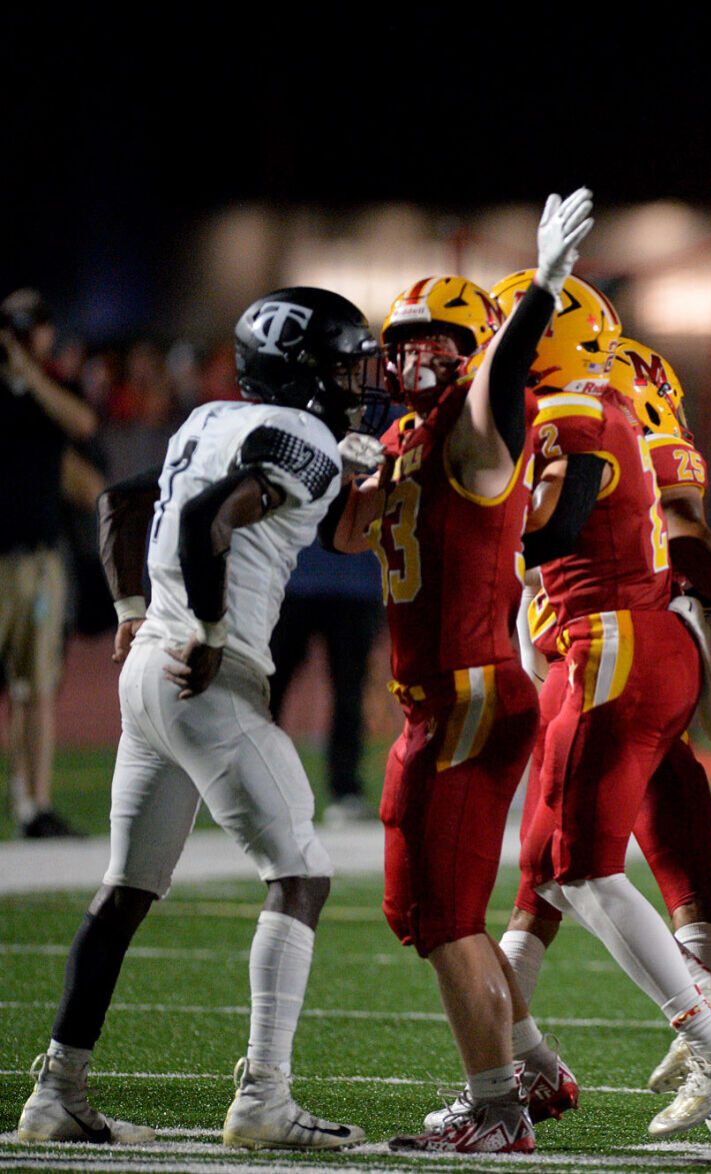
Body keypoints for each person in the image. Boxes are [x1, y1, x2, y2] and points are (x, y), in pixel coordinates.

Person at [16, 285, 380, 1150]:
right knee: (300, 875)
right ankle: (265, 1099)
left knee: (125, 890)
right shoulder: (304, 438)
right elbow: (207, 519)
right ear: (302, 372)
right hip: (209, 676)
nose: (353, 378)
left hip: (146, 674)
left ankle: (57, 1091)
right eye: (339, 364)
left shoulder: (209, 420)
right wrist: (213, 630)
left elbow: (119, 504)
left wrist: (129, 608)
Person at [329, 192, 596, 1154]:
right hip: (432, 702)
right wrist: (350, 470)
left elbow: (498, 382)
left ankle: (499, 1112)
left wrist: (541, 292)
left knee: (446, 917)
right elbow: (350, 535)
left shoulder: (480, 429)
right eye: (398, 343)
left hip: (474, 695)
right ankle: (530, 1063)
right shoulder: (406, 439)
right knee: (420, 912)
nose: (405, 360)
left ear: (470, 349)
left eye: (429, 343)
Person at [484, 269, 711, 1144]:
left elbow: (622, 531)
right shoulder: (612, 399)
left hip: (606, 645)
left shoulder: (576, 412)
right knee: (560, 874)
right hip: (618, 642)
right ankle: (520, 1070)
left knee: (573, 872)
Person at [0, 288, 99, 838]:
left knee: (36, 686)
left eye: (34, 322)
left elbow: (84, 424)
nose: (26, 333)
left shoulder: (51, 386)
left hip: (38, 559)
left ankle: (33, 805)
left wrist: (29, 376)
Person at [267, 542, 384, 824]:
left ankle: (345, 791)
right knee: (268, 690)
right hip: (294, 573)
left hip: (355, 578)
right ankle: (256, 785)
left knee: (350, 694)